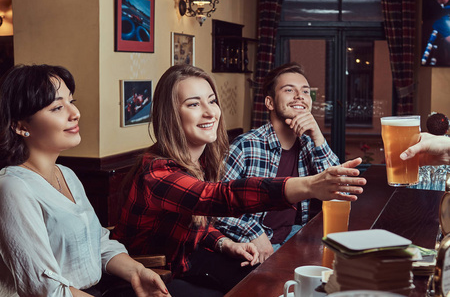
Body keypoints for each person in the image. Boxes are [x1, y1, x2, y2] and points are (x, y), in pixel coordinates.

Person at [110, 64, 366, 296]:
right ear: (171, 114)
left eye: (212, 101)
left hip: (185, 261)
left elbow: (195, 223)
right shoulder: (157, 171)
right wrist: (308, 185)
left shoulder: (203, 161)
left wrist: (224, 244)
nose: (210, 112)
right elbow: (217, 198)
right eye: (193, 104)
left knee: (277, 283)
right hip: (144, 278)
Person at [0, 64, 169, 297]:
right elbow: (45, 290)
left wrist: (137, 272)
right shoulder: (13, 187)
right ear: (20, 126)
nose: (75, 113)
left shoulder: (66, 174)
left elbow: (98, 244)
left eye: (72, 101)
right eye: (58, 107)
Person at [213, 62, 339, 263]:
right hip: (254, 248)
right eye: (289, 90)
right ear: (270, 103)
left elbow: (340, 188)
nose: (299, 96)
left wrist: (318, 136)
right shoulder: (246, 146)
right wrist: (255, 233)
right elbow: (214, 205)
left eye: (305, 92)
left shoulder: (309, 144)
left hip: (297, 237)